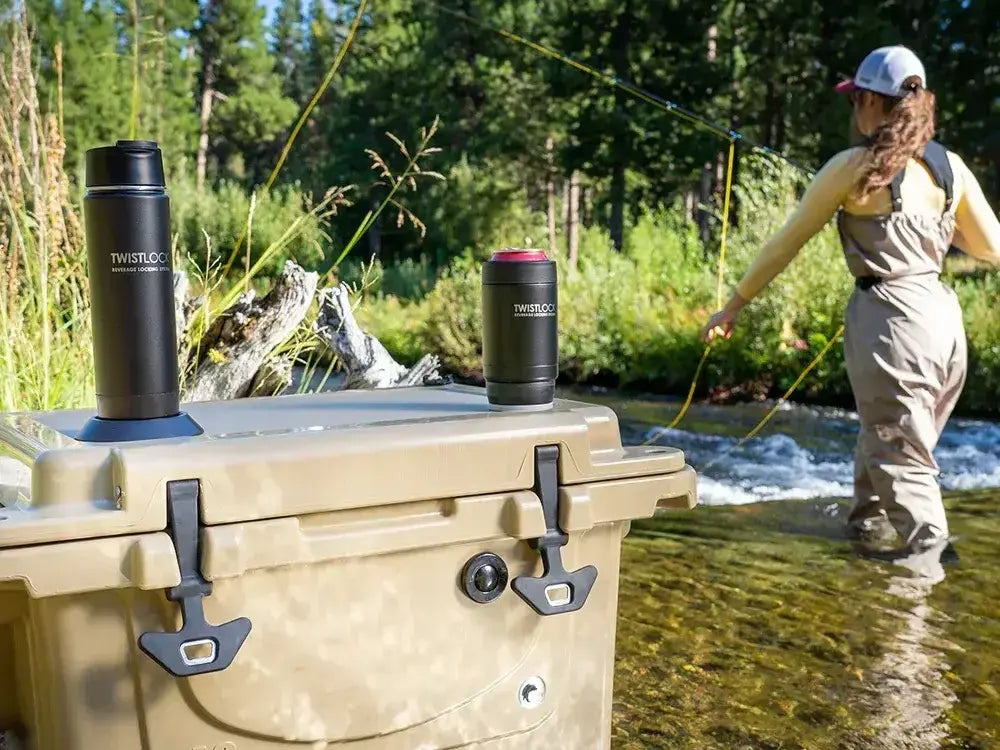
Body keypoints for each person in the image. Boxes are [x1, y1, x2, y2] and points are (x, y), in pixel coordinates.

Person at [701, 45, 1000, 555]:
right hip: (944, 324)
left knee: (901, 461)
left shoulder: (853, 167)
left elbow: (785, 243)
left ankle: (930, 581)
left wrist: (733, 306)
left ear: (872, 102)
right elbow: (991, 247)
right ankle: (866, 538)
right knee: (888, 438)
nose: (853, 110)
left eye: (855, 99)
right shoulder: (950, 168)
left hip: (892, 324)